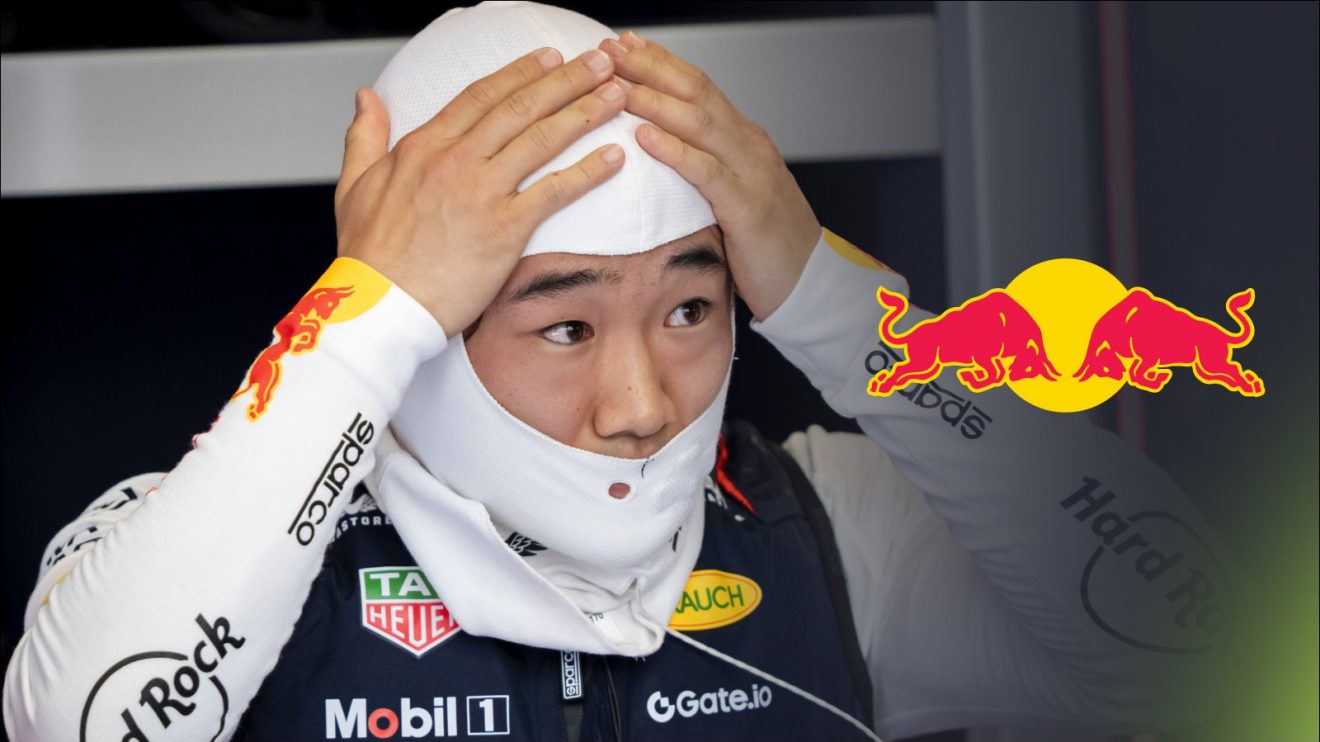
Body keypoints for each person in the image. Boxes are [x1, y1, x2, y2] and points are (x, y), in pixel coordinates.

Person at [3, 3, 1242, 741]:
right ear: (423, 326)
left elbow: (1203, 655)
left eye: (693, 307)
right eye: (566, 327)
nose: (645, 406)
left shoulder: (825, 530)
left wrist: (828, 293)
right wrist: (362, 317)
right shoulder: (205, 550)